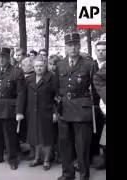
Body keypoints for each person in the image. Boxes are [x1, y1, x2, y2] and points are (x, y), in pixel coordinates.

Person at [55, 32, 97, 180]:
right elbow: (56, 89)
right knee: (65, 144)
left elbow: (96, 88)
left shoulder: (89, 64)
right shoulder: (59, 65)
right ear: (65, 48)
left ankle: (84, 175)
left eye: (75, 45)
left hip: (82, 109)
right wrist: (57, 109)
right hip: (64, 109)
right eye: (69, 45)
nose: (72, 48)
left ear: (79, 46)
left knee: (82, 146)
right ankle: (67, 173)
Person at [0, 47, 26, 170]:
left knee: (10, 136)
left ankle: (12, 159)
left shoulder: (16, 72)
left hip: (9, 109)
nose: (1, 59)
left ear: (9, 58)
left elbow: (21, 93)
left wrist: (19, 111)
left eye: (4, 57)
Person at [26, 56, 58, 171]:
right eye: (36, 66)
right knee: (36, 136)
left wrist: (55, 112)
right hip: (33, 112)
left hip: (47, 112)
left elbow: (57, 97)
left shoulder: (52, 78)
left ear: (45, 66)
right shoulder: (29, 79)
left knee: (47, 137)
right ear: (33, 67)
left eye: (41, 66)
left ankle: (46, 160)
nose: (39, 68)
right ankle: (37, 158)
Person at [92, 41, 106, 170]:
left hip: (105, 104)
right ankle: (94, 158)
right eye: (99, 50)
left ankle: (104, 159)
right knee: (94, 133)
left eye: (104, 50)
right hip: (94, 104)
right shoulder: (91, 65)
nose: (101, 52)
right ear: (95, 51)